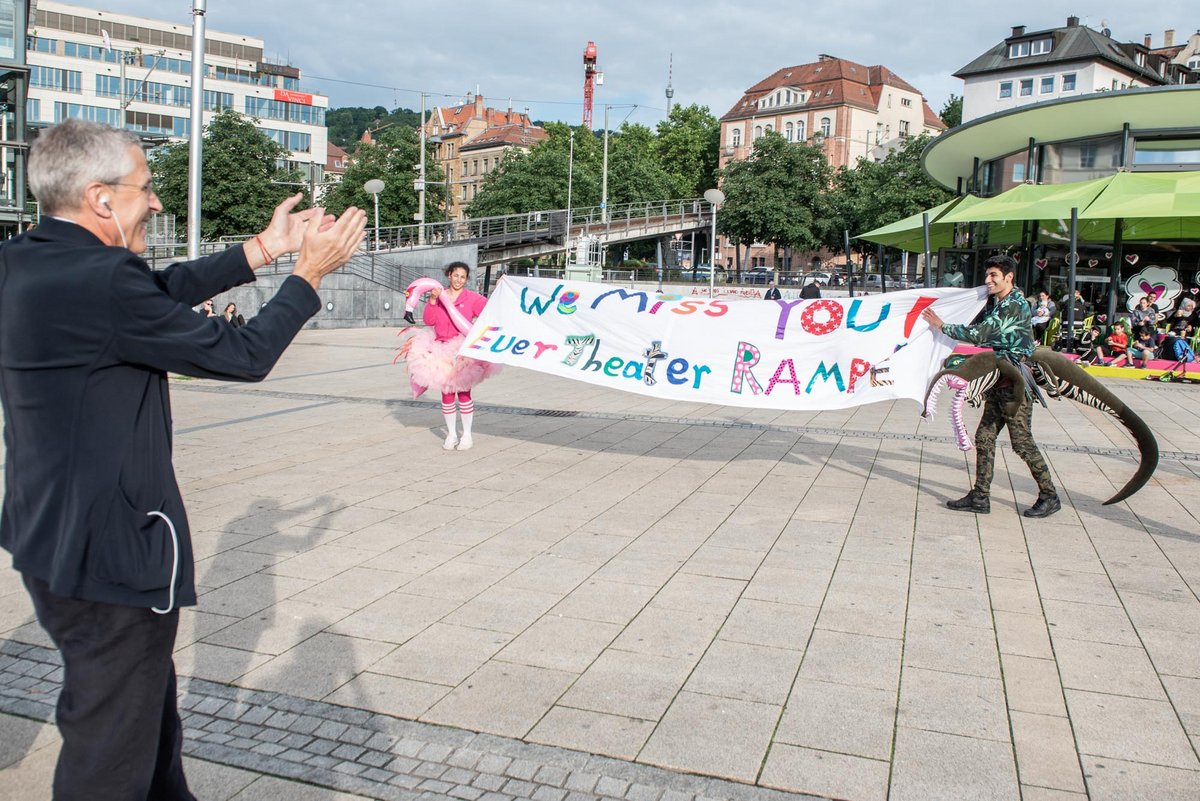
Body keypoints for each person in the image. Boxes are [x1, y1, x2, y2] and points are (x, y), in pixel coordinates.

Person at [0, 119, 367, 801]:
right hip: (110, 557)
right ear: (100, 199)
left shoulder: (27, 261)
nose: (157, 202)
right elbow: (245, 354)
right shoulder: (106, 281)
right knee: (109, 744)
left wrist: (259, 248)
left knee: (142, 713)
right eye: (146, 188)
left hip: (47, 540)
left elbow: (150, 293)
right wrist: (306, 276)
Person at [922, 254, 1060, 518]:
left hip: (1016, 384)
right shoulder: (1000, 302)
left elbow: (982, 334)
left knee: (1021, 442)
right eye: (987, 275)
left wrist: (942, 325)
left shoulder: (1013, 305)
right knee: (984, 437)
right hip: (999, 379)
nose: (988, 280)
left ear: (1009, 277)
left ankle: (1049, 495)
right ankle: (980, 496)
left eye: (994, 276)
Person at [402, 261, 499, 450]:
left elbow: (489, 312)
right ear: (449, 276)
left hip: (462, 351)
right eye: (456, 276)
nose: (459, 280)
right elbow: (429, 320)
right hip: (441, 349)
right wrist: (431, 300)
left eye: (463, 277)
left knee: (464, 392)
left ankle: (467, 435)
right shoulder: (439, 296)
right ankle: (452, 434)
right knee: (446, 394)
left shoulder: (473, 298)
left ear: (466, 279)